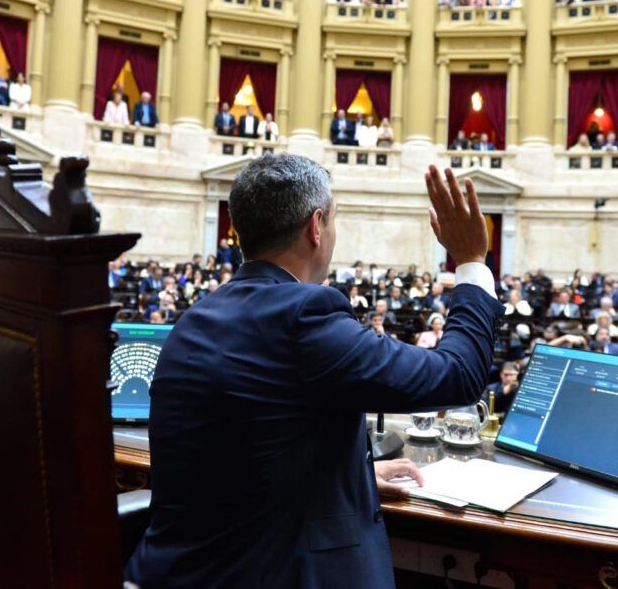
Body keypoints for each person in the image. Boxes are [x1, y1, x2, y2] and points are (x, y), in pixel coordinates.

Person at [127, 158, 502, 587]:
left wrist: (351, 474)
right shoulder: (304, 314)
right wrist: (471, 262)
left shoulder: (195, 318)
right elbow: (458, 375)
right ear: (316, 227)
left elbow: (244, 452)